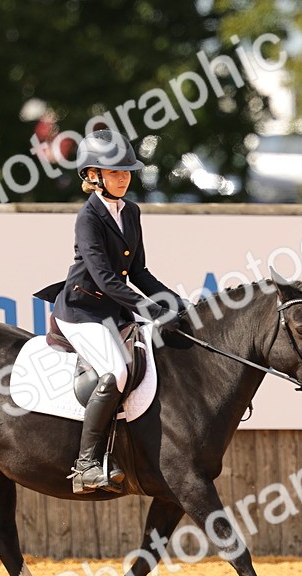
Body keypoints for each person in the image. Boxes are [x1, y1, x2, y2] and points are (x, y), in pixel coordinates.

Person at [34, 129, 188, 494]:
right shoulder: (88, 218)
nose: (123, 178)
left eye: (126, 171)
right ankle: (85, 464)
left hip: (113, 312)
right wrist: (150, 310)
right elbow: (104, 280)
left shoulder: (131, 212)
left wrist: (174, 303)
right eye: (114, 171)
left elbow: (138, 273)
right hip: (81, 311)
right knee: (116, 372)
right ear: (92, 175)